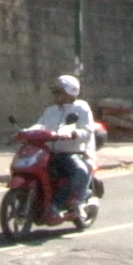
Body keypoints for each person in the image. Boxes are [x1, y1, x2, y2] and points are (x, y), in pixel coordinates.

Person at [31, 75, 97, 221]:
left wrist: (72, 133)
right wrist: (25, 131)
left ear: (70, 92)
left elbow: (87, 131)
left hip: (71, 152)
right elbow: (40, 125)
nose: (56, 95)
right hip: (50, 152)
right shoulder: (51, 110)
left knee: (80, 170)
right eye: (55, 92)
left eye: (59, 91)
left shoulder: (81, 108)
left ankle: (68, 203)